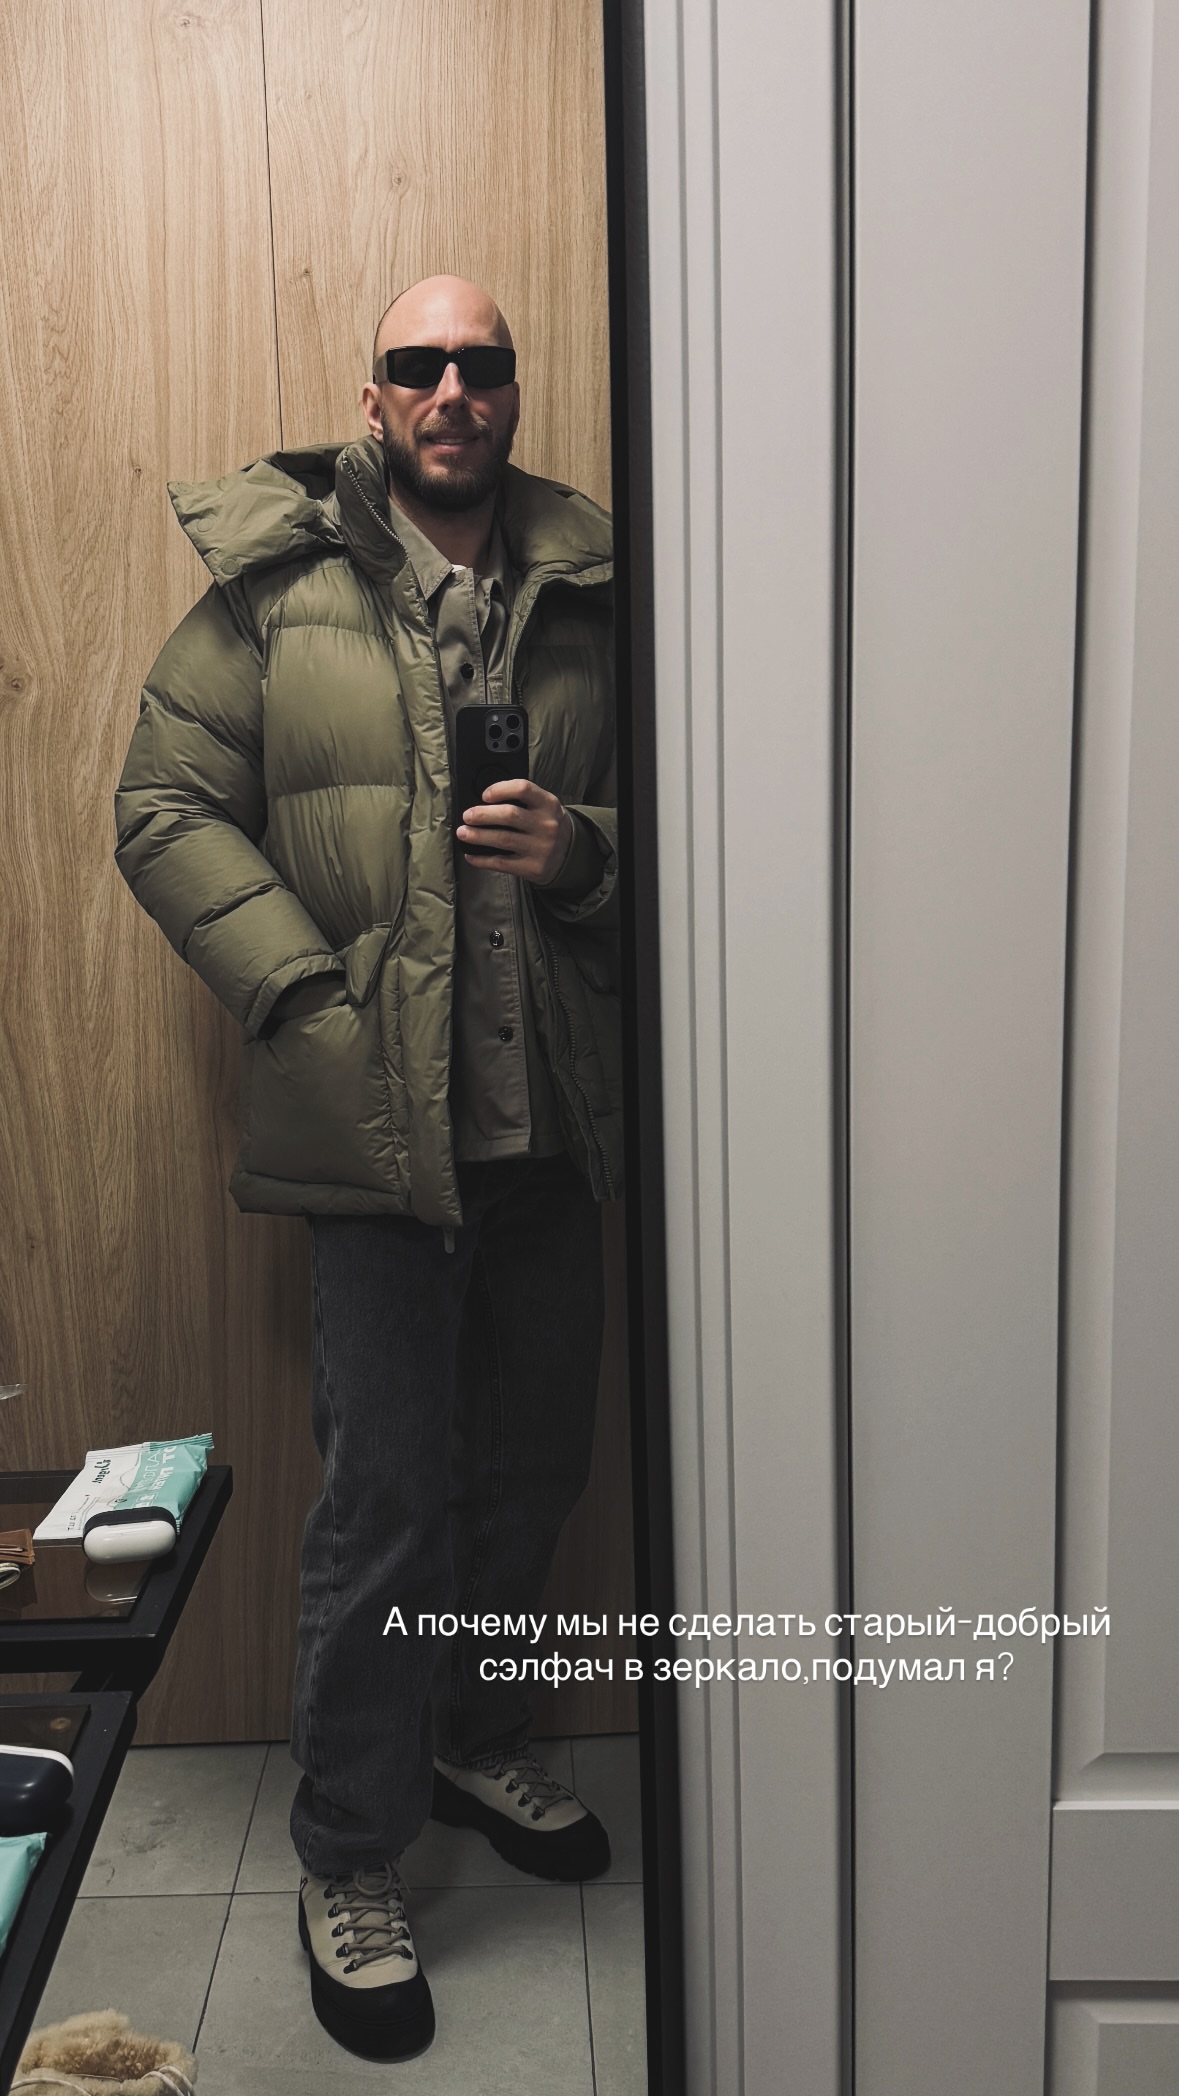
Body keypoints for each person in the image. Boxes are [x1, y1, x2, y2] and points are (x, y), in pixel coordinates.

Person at [114, 274, 623, 2063]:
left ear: (513, 389)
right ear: (375, 393)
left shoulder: (596, 591)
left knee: (529, 1475)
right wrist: (301, 993)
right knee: (387, 1504)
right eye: (420, 364)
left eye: (483, 363)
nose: (452, 389)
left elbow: (710, 811)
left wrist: (584, 852)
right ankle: (348, 1850)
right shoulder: (279, 590)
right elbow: (161, 808)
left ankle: (475, 1740)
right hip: (376, 1139)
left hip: (554, 1128)